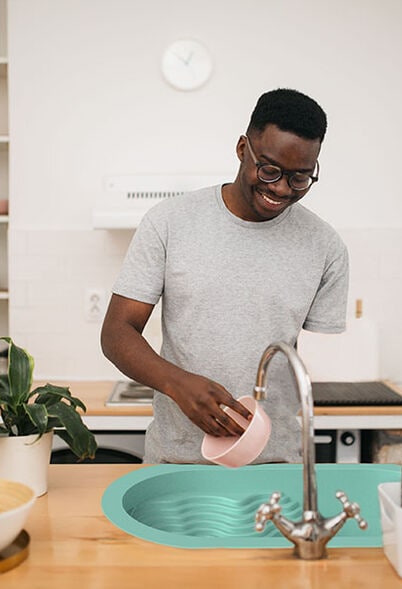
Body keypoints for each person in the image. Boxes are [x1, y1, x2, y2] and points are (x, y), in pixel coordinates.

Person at [100, 88, 349, 464]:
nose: (280, 188)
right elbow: (117, 332)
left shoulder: (325, 247)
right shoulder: (169, 222)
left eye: (300, 178)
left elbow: (317, 360)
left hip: (276, 465)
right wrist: (177, 384)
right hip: (177, 463)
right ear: (241, 148)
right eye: (269, 169)